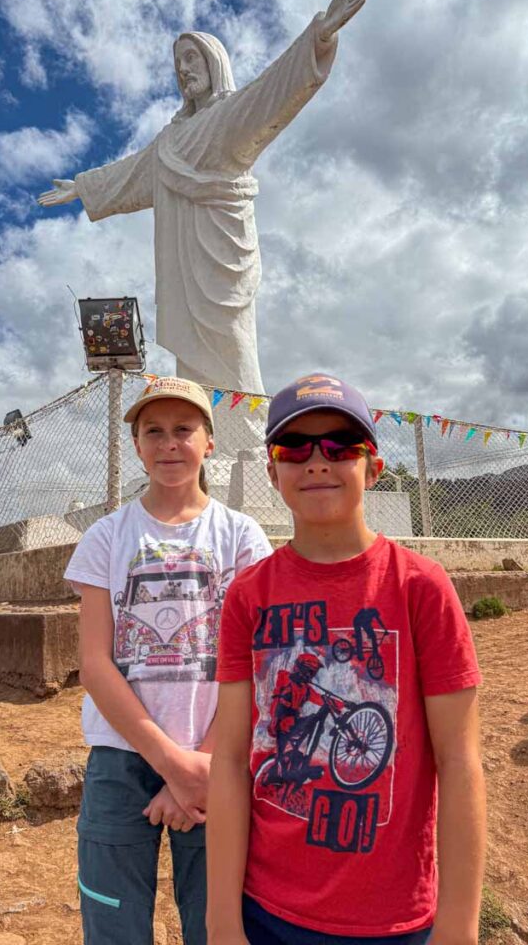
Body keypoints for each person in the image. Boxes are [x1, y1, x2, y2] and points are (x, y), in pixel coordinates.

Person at [207, 373, 486, 945]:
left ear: (373, 468)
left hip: (395, 920)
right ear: (272, 472)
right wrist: (221, 920)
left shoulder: (420, 587)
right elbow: (231, 761)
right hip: (266, 911)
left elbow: (459, 761)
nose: (317, 462)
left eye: (340, 446)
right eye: (294, 448)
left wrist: (459, 924)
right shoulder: (248, 596)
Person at [37, 0, 376, 393]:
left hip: (222, 261)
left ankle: (246, 426)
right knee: (192, 358)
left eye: (191, 58)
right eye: (178, 63)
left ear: (214, 62)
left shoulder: (229, 116)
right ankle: (202, 423)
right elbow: (131, 172)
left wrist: (317, 38)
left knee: (233, 346)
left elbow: (273, 91)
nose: (183, 70)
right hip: (184, 267)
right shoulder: (170, 140)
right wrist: (82, 187)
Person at [64, 376, 272, 944]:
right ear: (136, 445)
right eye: (153, 431)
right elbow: (95, 663)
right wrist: (173, 765)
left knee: (216, 919)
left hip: (218, 755)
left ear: (209, 441)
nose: (169, 443)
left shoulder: (241, 537)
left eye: (184, 429)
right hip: (121, 755)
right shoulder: (106, 538)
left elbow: (256, 659)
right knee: (113, 920)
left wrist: (202, 762)